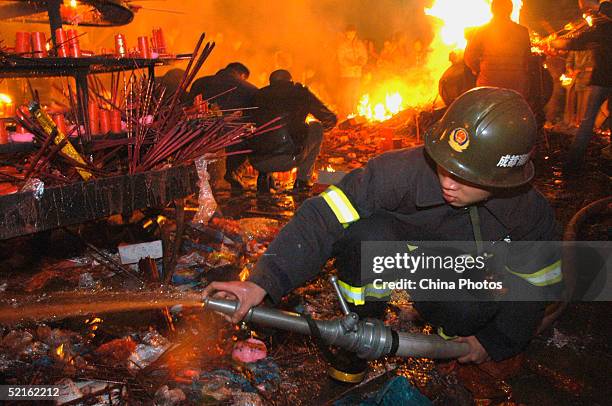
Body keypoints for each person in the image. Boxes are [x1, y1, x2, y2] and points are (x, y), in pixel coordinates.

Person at [203, 87, 563, 383]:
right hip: (409, 255)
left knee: (467, 307)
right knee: (365, 232)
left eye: (466, 176)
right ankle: (363, 317)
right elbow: (323, 215)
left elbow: (537, 283)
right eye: (444, 164)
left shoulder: (527, 214)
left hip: (460, 276)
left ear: (502, 179)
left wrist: (493, 341)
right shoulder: (399, 173)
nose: (448, 182)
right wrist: (261, 282)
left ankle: (450, 340)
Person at [250, 69, 337, 193]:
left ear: (270, 83)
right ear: (290, 81)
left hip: (257, 161)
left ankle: (264, 177)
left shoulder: (258, 95)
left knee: (264, 131)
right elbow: (329, 118)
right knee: (316, 127)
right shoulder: (300, 93)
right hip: (288, 159)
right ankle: (302, 180)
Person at [552, 0, 612, 170]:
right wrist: (559, 43)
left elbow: (578, 42)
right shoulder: (601, 27)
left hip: (601, 80)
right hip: (601, 80)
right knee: (588, 121)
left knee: (587, 122)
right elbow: (579, 41)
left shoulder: (603, 27)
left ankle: (573, 163)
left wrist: (559, 43)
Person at [188, 62, 258, 190]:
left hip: (196, 135)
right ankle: (232, 172)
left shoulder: (200, 82)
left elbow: (188, 108)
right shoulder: (250, 89)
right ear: (242, 75)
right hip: (232, 140)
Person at [464, 0, 531, 98]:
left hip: (488, 83)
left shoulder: (482, 30)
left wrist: (478, 70)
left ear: (492, 10)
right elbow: (527, 58)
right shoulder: (522, 31)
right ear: (511, 10)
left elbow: (469, 56)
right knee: (512, 111)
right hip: (515, 86)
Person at [337, 24, 368, 118]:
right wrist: (349, 63)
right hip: (346, 74)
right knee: (347, 94)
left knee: (355, 93)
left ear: (355, 33)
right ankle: (347, 113)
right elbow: (340, 58)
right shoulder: (342, 44)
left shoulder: (359, 44)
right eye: (349, 33)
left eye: (352, 32)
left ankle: (354, 111)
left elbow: (364, 56)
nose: (351, 34)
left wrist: (360, 62)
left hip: (357, 73)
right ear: (346, 33)